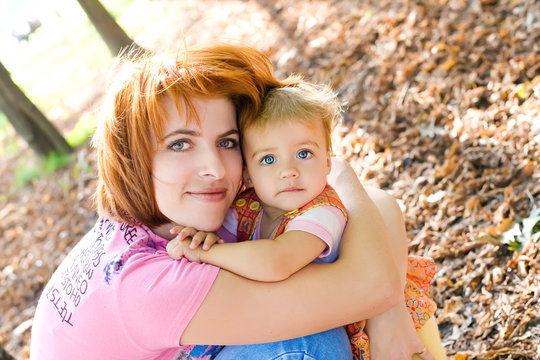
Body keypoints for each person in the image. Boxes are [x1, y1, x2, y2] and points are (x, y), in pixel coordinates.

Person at [30, 42, 432, 360]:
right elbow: (372, 281)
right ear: (132, 158)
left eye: (227, 142)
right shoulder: (148, 284)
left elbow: (377, 205)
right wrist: (384, 304)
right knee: (306, 343)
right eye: (180, 144)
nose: (214, 168)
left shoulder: (164, 217)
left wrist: (388, 310)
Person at [166, 79, 447, 360]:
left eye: (304, 154)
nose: (288, 170)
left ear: (327, 162)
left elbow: (277, 261)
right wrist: (201, 239)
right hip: (325, 315)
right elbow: (219, 243)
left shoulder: (322, 211)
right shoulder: (245, 207)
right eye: (268, 159)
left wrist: (209, 252)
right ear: (248, 174)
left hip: (373, 330)